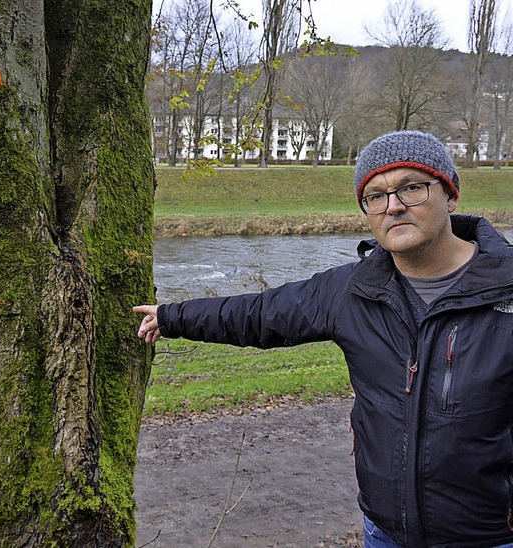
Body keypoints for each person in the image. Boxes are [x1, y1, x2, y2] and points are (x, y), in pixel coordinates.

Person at [133, 130, 513, 547]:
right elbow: (262, 314)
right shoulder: (353, 290)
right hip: (386, 533)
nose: (394, 206)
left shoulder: (506, 288)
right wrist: (173, 317)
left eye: (412, 188)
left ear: (450, 194)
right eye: (376, 196)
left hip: (490, 537)